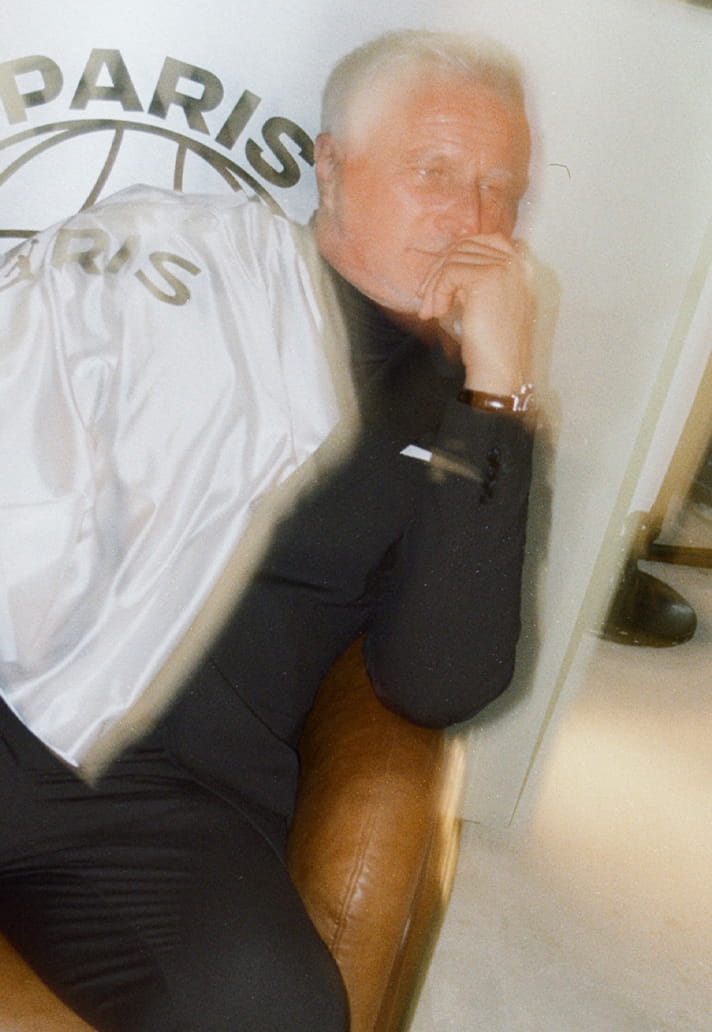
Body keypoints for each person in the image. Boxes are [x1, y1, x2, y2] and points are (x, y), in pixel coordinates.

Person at [0, 28, 535, 1032]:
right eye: (433, 172)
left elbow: (440, 682)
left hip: (159, 801)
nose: (472, 219)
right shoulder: (166, 259)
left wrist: (497, 393)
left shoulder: (462, 412)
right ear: (330, 167)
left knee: (277, 1011)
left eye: (501, 189)